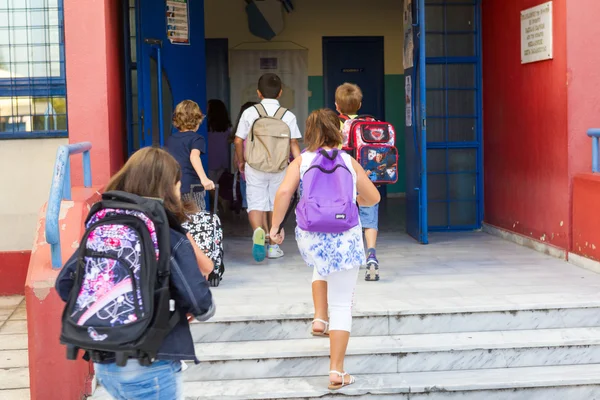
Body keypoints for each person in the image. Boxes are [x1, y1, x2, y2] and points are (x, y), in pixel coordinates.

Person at [55, 147, 216, 399]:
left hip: (105, 362)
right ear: (167, 188)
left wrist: (111, 311)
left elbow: (65, 283)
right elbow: (203, 306)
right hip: (149, 363)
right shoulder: (167, 234)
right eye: (177, 185)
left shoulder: (104, 223)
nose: (179, 192)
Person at [270, 109, 380, 390]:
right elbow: (373, 197)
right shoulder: (349, 160)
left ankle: (320, 317)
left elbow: (284, 193)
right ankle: (337, 371)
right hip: (345, 235)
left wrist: (275, 227)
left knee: (322, 262)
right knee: (342, 304)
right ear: (338, 131)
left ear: (310, 132)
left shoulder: (302, 161)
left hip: (312, 234)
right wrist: (353, 198)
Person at [234, 73, 302, 262]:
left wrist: (241, 161)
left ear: (258, 93)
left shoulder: (250, 113)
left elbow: (238, 140)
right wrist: (301, 166)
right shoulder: (287, 115)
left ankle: (258, 231)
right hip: (280, 167)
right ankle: (273, 246)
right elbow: (294, 144)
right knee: (276, 203)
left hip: (254, 165)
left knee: (256, 203)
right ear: (280, 93)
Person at [336, 82, 382, 281]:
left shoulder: (334, 124)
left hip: (343, 179)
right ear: (360, 105)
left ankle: (347, 258)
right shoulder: (371, 122)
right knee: (370, 217)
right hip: (368, 178)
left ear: (337, 105)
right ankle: (371, 254)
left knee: (343, 218)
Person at [166, 100, 215, 211]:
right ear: (198, 120)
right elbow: (194, 156)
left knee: (178, 218)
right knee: (195, 217)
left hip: (174, 187)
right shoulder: (197, 138)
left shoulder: (170, 139)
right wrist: (204, 179)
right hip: (192, 186)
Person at [232, 101, 258, 211]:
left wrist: (239, 164)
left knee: (250, 206)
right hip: (260, 171)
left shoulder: (241, 134)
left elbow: (235, 159)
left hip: (245, 172)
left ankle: (256, 226)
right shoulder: (261, 132)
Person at [206, 99, 232, 185]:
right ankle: (219, 199)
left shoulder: (207, 127)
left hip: (210, 161)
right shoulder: (227, 126)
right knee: (218, 186)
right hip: (223, 161)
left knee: (210, 186)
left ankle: (219, 199)